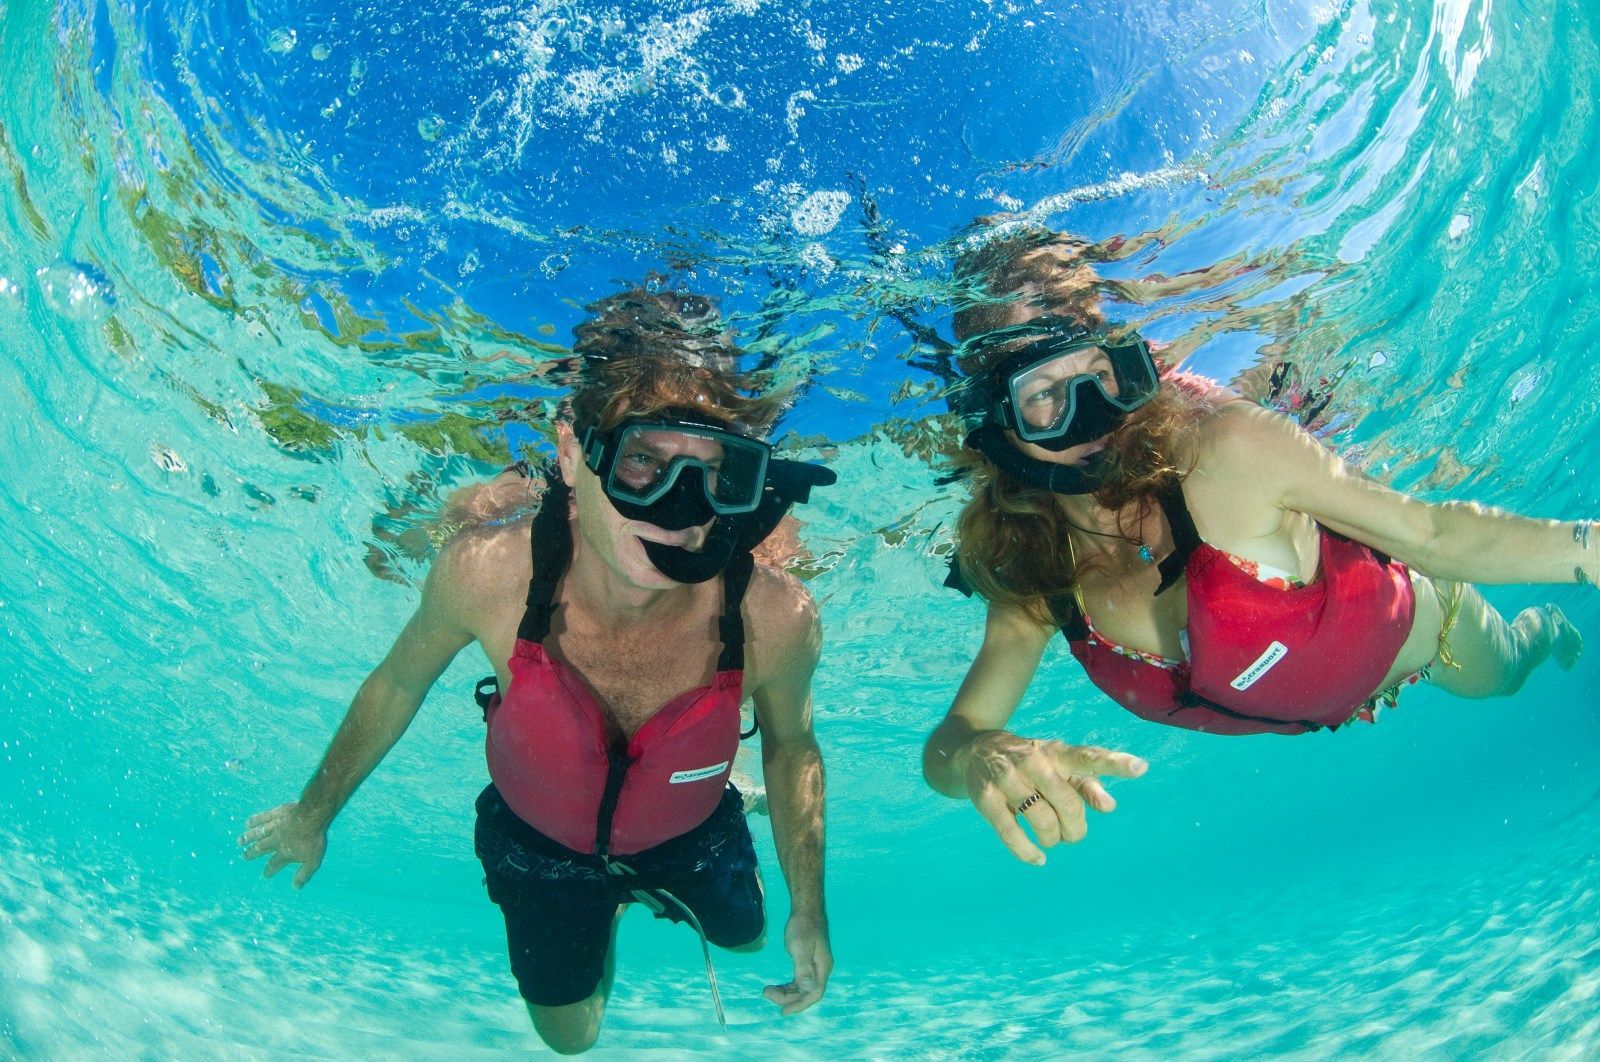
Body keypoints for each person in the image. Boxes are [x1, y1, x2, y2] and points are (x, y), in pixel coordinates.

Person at [240, 290, 834, 1053]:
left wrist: (810, 908)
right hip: (539, 847)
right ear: (573, 452)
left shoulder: (774, 616)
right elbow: (396, 685)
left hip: (690, 833)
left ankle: (716, 802)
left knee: (747, 938)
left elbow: (794, 746)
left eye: (712, 473)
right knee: (570, 1041)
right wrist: (312, 813)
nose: (677, 507)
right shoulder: (491, 573)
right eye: (643, 460)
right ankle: (607, 909)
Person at [922, 224, 1589, 866]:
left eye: (1100, 373)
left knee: (1504, 677)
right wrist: (981, 755)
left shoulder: (1226, 451)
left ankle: (1545, 631)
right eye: (1044, 394)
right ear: (993, 420)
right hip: (1333, 693)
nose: (1092, 414)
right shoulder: (1040, 574)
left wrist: (1588, 549)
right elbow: (950, 745)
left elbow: (1434, 534)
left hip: (1428, 627)